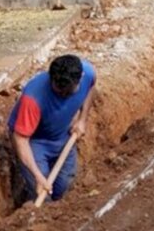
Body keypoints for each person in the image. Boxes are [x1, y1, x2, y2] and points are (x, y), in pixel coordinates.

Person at [8, 54, 96, 202]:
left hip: (62, 135)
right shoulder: (32, 99)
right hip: (35, 142)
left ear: (80, 77)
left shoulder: (88, 73)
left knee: (64, 187)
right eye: (58, 91)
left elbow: (91, 87)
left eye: (67, 92)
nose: (62, 95)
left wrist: (82, 119)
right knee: (42, 196)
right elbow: (21, 140)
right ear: (51, 78)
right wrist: (37, 176)